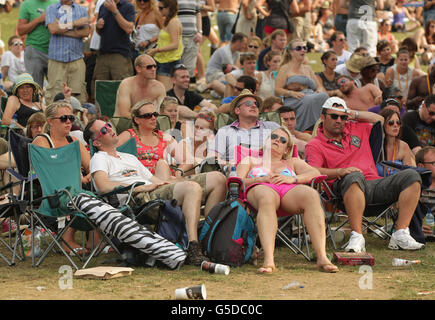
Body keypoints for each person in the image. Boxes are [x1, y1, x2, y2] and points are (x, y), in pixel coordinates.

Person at [85, 118, 216, 266]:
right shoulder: (99, 158)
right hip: (138, 201)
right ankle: (193, 247)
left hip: (153, 190)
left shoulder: (129, 157)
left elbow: (154, 180)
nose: (109, 129)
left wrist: (173, 181)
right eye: (103, 130)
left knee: (216, 179)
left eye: (108, 125)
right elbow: (103, 186)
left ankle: (210, 240)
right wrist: (137, 187)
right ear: (96, 143)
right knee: (192, 188)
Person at [305, 97, 425, 252]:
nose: (339, 120)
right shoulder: (315, 144)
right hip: (342, 191)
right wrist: (339, 172)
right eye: (334, 116)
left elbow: (380, 119)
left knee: (412, 176)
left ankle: (400, 233)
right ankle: (356, 235)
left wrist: (351, 113)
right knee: (354, 176)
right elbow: (312, 171)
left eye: (343, 117)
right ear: (323, 117)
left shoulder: (356, 128)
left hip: (375, 184)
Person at [236, 126, 338, 273]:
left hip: (287, 190)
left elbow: (314, 172)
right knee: (267, 197)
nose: (277, 140)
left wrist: (292, 178)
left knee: (312, 195)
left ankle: (322, 257)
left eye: (282, 140)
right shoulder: (250, 160)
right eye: (273, 137)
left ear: (286, 149)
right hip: (260, 188)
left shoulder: (291, 162)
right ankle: (269, 260)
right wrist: (261, 178)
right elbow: (237, 181)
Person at [31, 100, 94, 255]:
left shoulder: (74, 142)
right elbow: (50, 174)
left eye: (71, 118)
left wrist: (87, 178)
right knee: (73, 196)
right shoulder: (42, 141)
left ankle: (95, 240)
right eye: (63, 118)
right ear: (51, 121)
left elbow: (92, 168)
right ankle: (67, 241)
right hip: (51, 193)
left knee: (99, 194)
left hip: (77, 189)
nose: (68, 122)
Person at [210, 89, 280, 165]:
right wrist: (232, 165)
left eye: (256, 104)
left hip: (268, 170)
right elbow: (212, 158)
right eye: (248, 103)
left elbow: (291, 145)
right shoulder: (225, 131)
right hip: (234, 171)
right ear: (237, 110)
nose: (254, 106)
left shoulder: (272, 127)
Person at [274, 39, 329, 132]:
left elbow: (319, 86)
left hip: (310, 95)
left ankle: (321, 127)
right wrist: (291, 93)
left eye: (304, 48)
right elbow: (277, 90)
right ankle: (304, 129)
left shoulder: (307, 68)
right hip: (294, 98)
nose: (303, 50)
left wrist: (319, 90)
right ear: (291, 52)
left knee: (324, 96)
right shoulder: (285, 68)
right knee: (308, 99)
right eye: (299, 48)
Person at [45, 0, 90, 105]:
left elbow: (86, 32)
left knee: (78, 97)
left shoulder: (82, 10)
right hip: (56, 59)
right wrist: (75, 23)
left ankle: (77, 120)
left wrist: (62, 26)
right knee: (54, 97)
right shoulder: (51, 8)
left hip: (76, 58)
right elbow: (53, 29)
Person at [92, 0, 136, 98]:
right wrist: (98, 27)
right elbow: (101, 32)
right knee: (100, 90)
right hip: (103, 55)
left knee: (122, 90)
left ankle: (122, 113)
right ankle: (101, 113)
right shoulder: (103, 7)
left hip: (119, 55)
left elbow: (129, 28)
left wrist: (114, 10)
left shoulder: (127, 6)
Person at [16, 0, 57, 88]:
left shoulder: (58, 3)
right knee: (35, 88)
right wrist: (39, 20)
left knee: (56, 88)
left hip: (55, 52)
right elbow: (20, 30)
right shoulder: (27, 4)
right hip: (35, 50)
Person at [113, 54, 166, 119]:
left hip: (148, 124)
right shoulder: (126, 84)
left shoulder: (159, 87)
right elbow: (124, 113)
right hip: (125, 123)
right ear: (138, 69)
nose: (153, 69)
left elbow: (163, 112)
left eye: (155, 66)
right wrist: (144, 121)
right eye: (149, 67)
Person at [146, 0, 183, 91]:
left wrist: (156, 50)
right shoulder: (168, 20)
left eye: (161, 8)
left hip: (169, 62)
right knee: (161, 92)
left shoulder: (173, 22)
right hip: (163, 60)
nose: (159, 10)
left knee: (165, 94)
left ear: (169, 8)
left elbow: (175, 44)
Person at [376, 108, 416, 177]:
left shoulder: (404, 146)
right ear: (382, 125)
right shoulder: (375, 145)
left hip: (398, 185)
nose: (395, 125)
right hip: (378, 184)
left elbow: (409, 175)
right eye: (391, 123)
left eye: (398, 122)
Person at [178, 110, 216, 174]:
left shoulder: (212, 145)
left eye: (202, 129)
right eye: (196, 127)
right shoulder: (183, 143)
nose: (197, 131)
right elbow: (190, 163)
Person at [178, 0, 202, 83]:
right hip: (178, 37)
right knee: (176, 67)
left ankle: (184, 92)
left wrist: (199, 32)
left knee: (189, 68)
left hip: (193, 37)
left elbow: (198, 14)